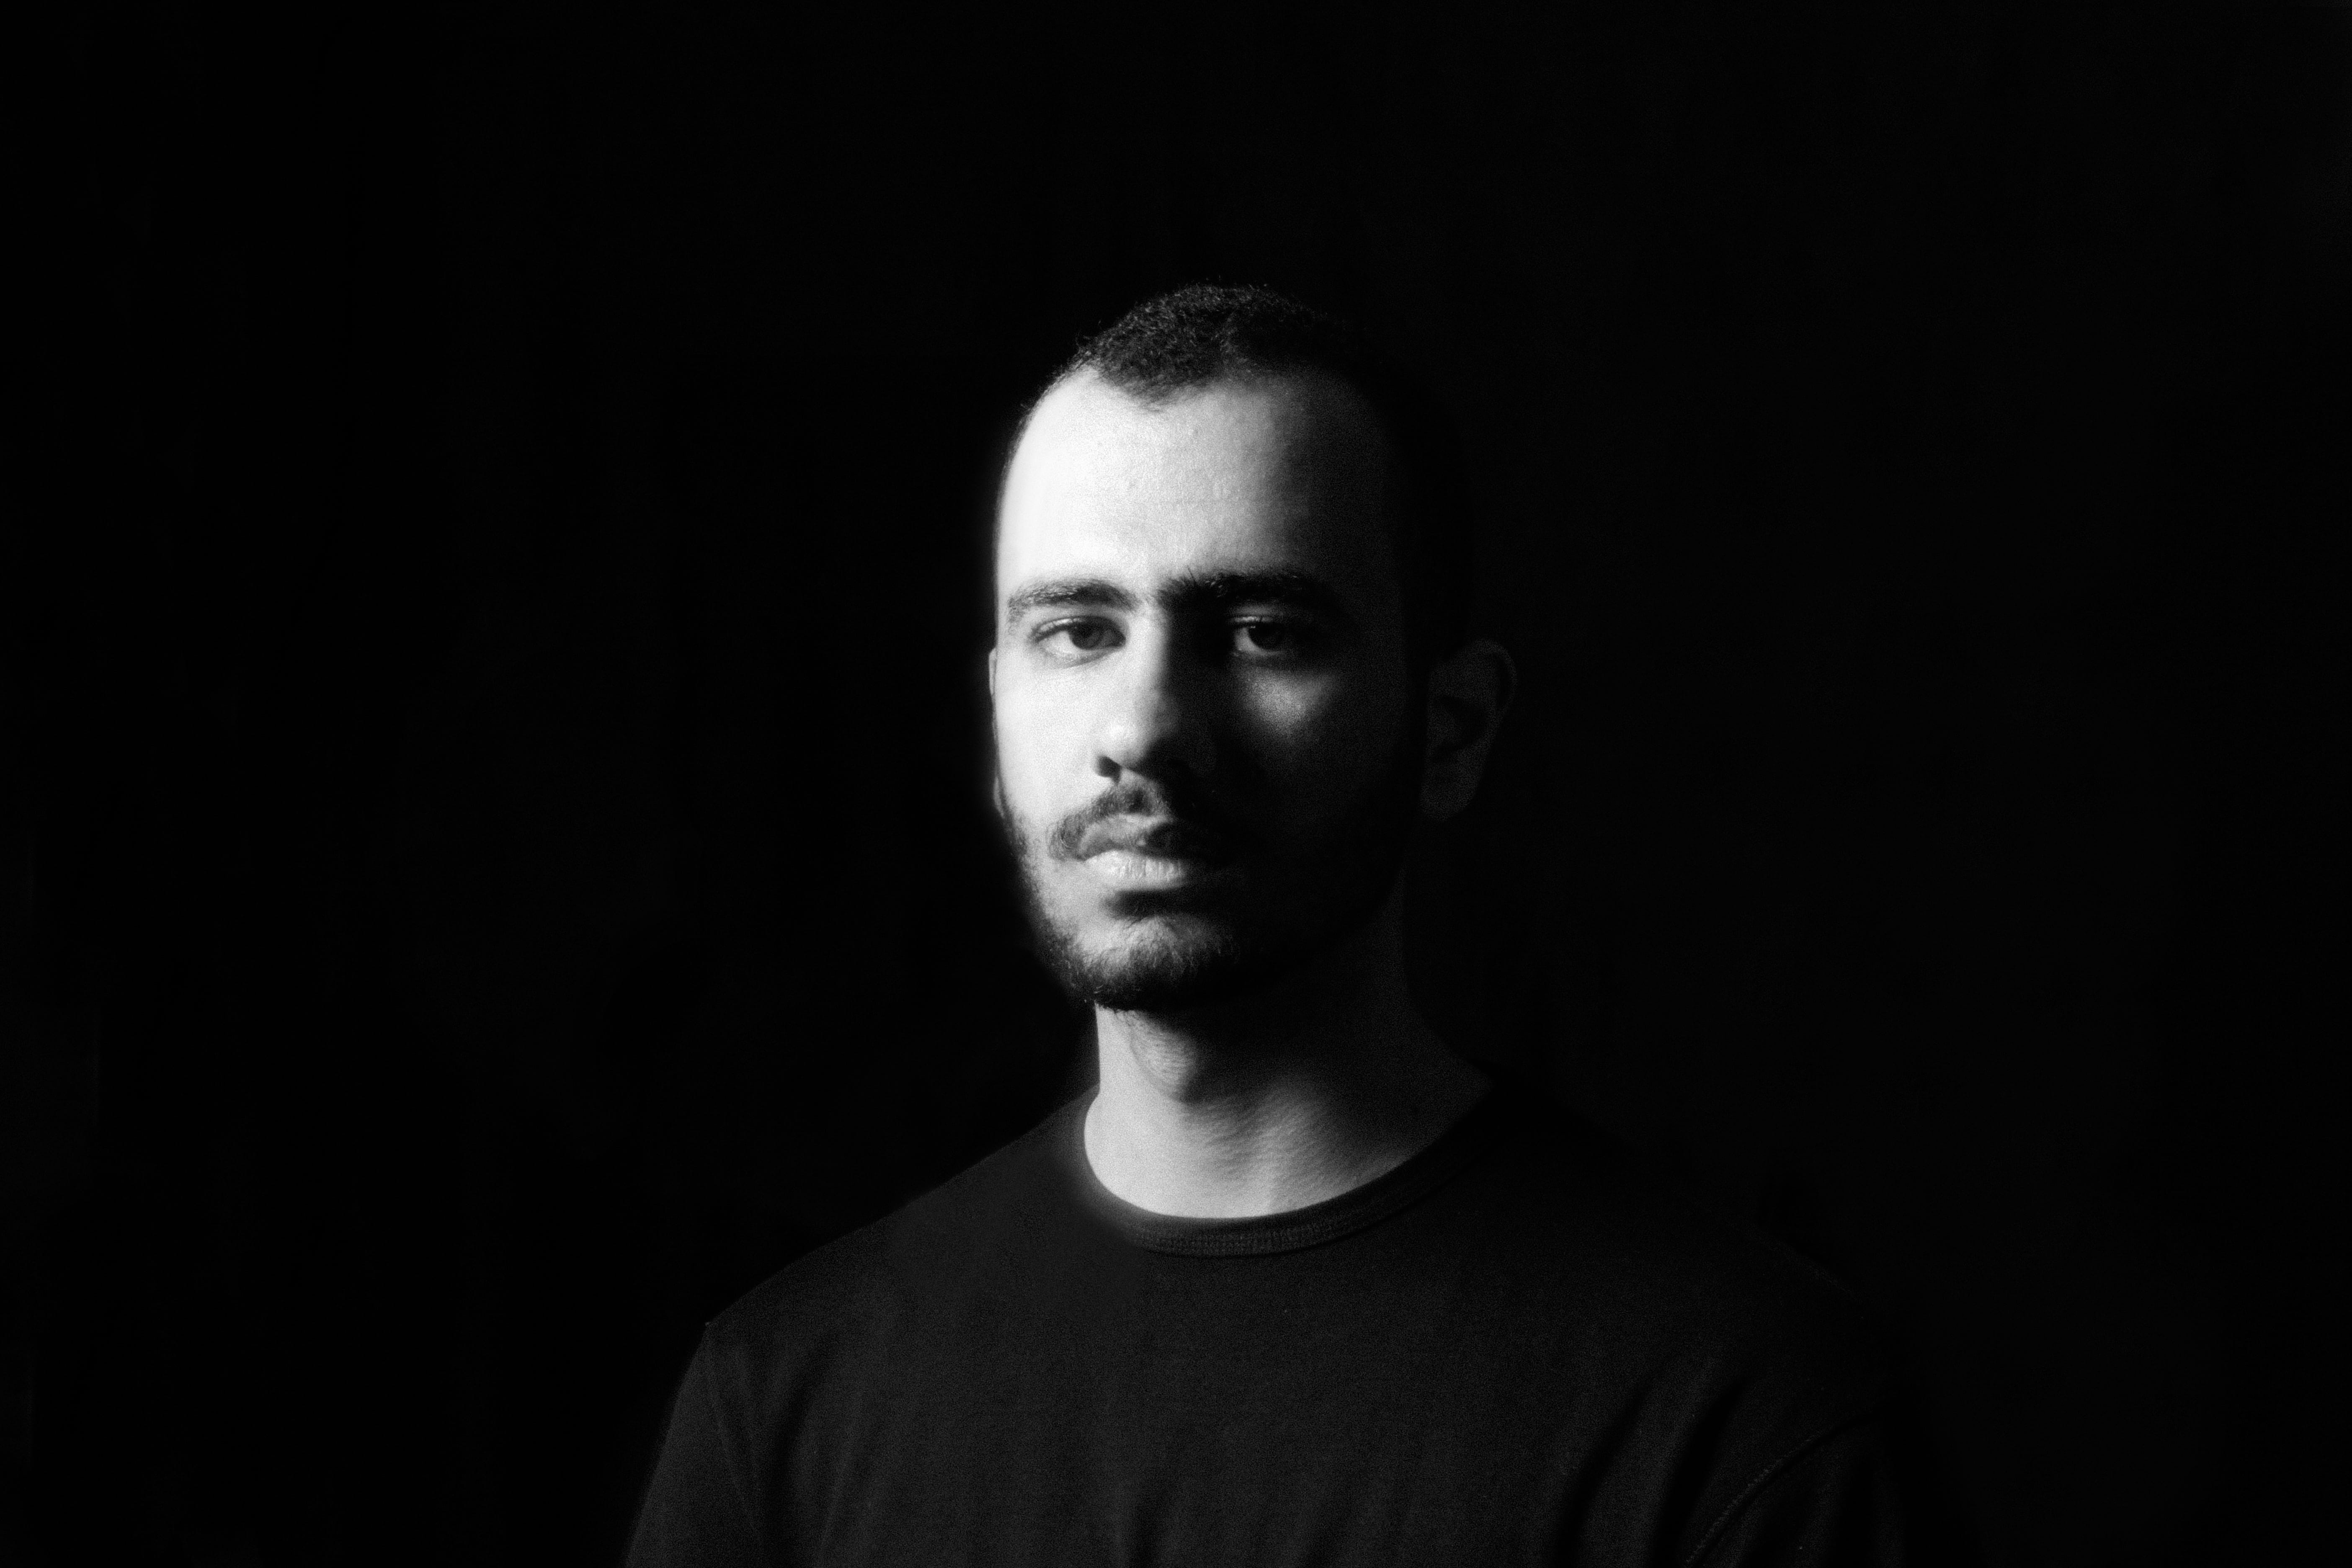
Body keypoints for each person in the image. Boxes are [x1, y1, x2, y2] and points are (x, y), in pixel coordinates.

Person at [626, 285, 1914, 1565]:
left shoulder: (1742, 1417)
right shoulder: (782, 1407)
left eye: (1259, 633)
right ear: (1000, 712)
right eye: (1077, 632)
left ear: (1452, 731)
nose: (1142, 730)